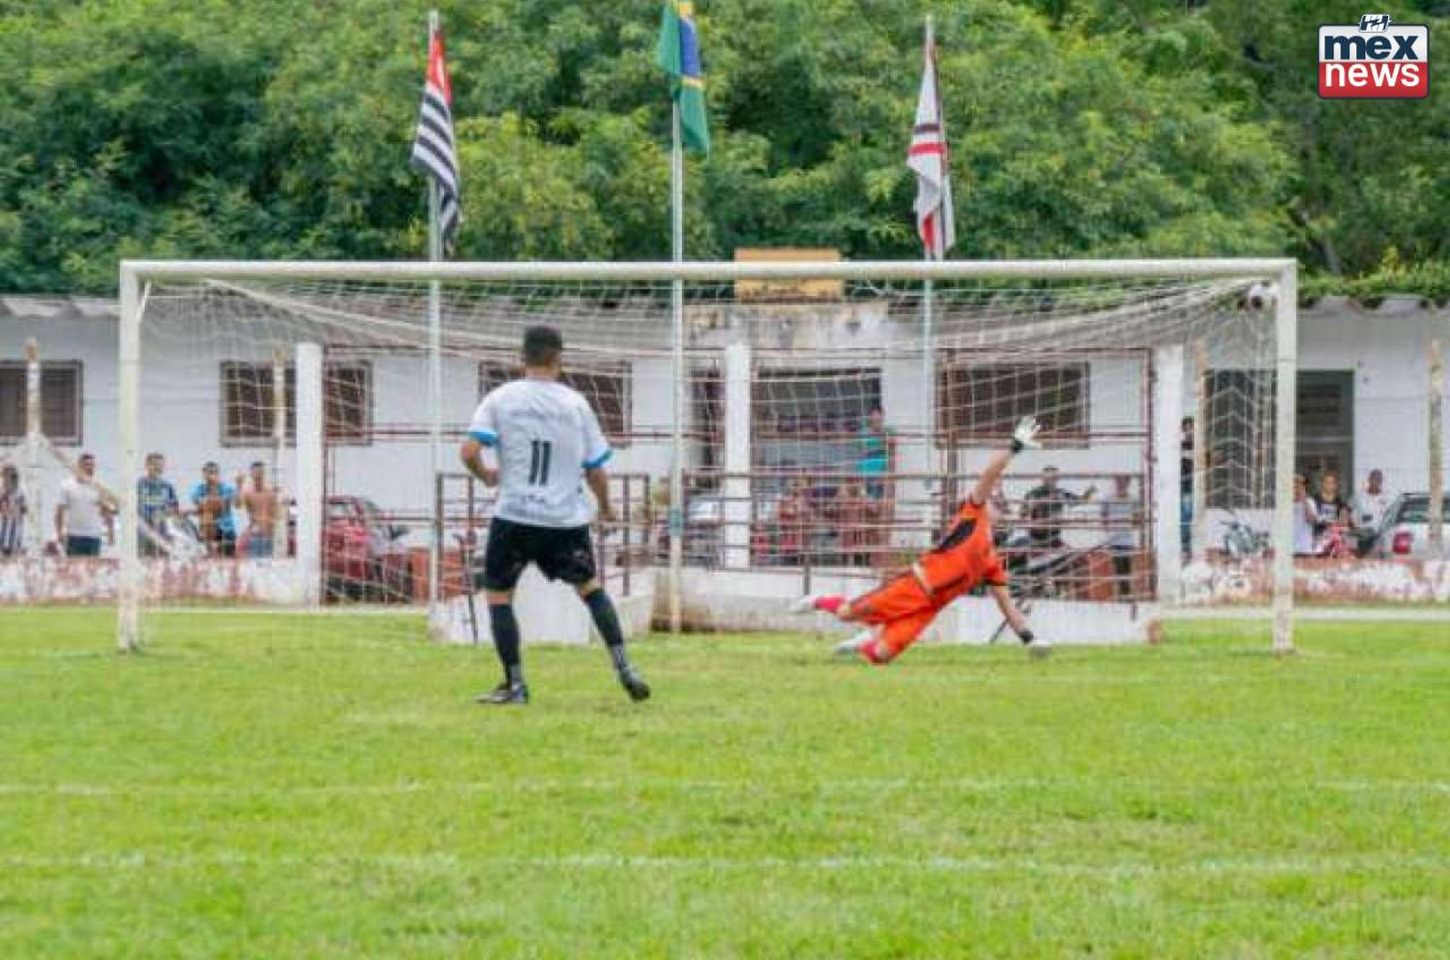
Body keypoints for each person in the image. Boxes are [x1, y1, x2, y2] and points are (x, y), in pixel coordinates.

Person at [459, 324, 650, 706]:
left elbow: (468, 451)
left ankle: (515, 684)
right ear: (559, 358)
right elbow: (595, 469)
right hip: (564, 519)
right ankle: (625, 668)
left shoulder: (499, 399)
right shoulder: (576, 405)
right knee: (591, 589)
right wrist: (608, 507)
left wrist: (486, 477)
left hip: (513, 516)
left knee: (499, 598)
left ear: (521, 357)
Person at [789, 416, 1049, 664]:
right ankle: (818, 600)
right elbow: (990, 474)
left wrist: (1030, 640)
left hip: (929, 608)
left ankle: (869, 637)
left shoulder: (993, 562)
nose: (998, 505)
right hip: (913, 586)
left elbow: (1006, 605)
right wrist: (1014, 446)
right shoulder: (972, 516)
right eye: (995, 501)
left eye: (1000, 505)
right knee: (847, 613)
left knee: (881, 656)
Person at [1022, 466, 1097, 551]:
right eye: (1049, 478)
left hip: (1054, 537)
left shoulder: (1060, 493)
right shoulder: (1033, 494)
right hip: (1037, 539)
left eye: (1055, 478)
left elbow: (1079, 501)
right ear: (1043, 478)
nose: (1052, 480)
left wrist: (1089, 492)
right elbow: (1023, 514)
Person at [55, 452, 115, 557]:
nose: (90, 468)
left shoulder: (98, 487)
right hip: (74, 535)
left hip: (94, 536)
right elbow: (60, 511)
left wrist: (111, 533)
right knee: (74, 570)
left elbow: (107, 511)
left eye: (92, 466)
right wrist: (59, 532)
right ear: (79, 466)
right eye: (86, 465)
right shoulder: (67, 486)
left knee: (93, 571)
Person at [1101, 474, 1140, 600]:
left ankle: (1125, 596)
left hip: (1127, 540)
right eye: (1119, 481)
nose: (1122, 484)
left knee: (1127, 569)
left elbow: (1137, 518)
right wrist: (1109, 531)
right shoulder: (1108, 499)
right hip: (1114, 540)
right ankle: (1120, 596)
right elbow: (1103, 516)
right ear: (1115, 482)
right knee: (1117, 568)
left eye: (1124, 481)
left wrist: (1129, 526)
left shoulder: (1134, 499)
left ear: (1128, 483)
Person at [190, 461, 239, 557]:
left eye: (215, 472)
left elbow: (235, 505)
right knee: (207, 516)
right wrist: (214, 503)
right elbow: (204, 506)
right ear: (203, 474)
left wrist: (238, 486)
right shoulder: (198, 490)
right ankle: (208, 549)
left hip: (226, 530)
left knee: (228, 563)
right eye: (210, 472)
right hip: (208, 532)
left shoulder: (226, 488)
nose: (213, 475)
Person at [136, 452, 180, 557]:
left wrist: (166, 514)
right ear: (147, 465)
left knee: (162, 560)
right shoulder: (138, 484)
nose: (158, 467)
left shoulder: (167, 486)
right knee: (142, 560)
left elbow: (174, 509)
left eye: (160, 465)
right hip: (143, 531)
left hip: (162, 530)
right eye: (155, 464)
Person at [238, 461, 281, 558]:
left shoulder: (271, 493)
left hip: (269, 535)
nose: (258, 476)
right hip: (255, 535)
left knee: (267, 567)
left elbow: (277, 514)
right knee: (254, 567)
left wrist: (273, 524)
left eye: (260, 473)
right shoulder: (248, 493)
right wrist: (239, 486)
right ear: (251, 474)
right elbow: (237, 505)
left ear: (264, 474)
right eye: (255, 473)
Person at [856, 406, 895, 499]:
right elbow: (862, 453)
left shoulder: (888, 431)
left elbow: (892, 451)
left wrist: (882, 435)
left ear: (882, 417)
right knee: (864, 494)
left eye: (879, 417)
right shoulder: (863, 433)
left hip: (883, 467)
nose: (876, 420)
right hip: (867, 467)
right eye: (874, 417)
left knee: (885, 493)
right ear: (870, 418)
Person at [1311, 470, 1353, 555]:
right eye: (1326, 482)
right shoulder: (1314, 499)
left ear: (1335, 485)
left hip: (1334, 541)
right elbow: (1311, 519)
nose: (1329, 485)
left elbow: (1344, 521)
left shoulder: (1340, 501)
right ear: (1322, 483)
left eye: (1331, 483)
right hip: (1317, 538)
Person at [1354, 468, 1394, 557]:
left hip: (1381, 537)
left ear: (1381, 481)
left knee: (1382, 563)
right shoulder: (1360, 496)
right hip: (1364, 535)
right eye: (1373, 479)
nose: (1375, 482)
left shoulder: (1386, 497)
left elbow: (1390, 516)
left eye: (1378, 479)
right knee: (1363, 561)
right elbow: (1350, 512)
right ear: (1369, 479)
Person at [1, 465, 26, 558]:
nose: (4, 480)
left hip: (15, 531)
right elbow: (3, 508)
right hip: (4, 530)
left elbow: (23, 509)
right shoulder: (2, 490)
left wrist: (15, 509)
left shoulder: (21, 490)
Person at [1291, 474, 1317, 556]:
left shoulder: (1310, 502)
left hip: (1304, 549)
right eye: (1295, 485)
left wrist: (1304, 501)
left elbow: (1312, 520)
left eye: (1300, 486)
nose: (1298, 488)